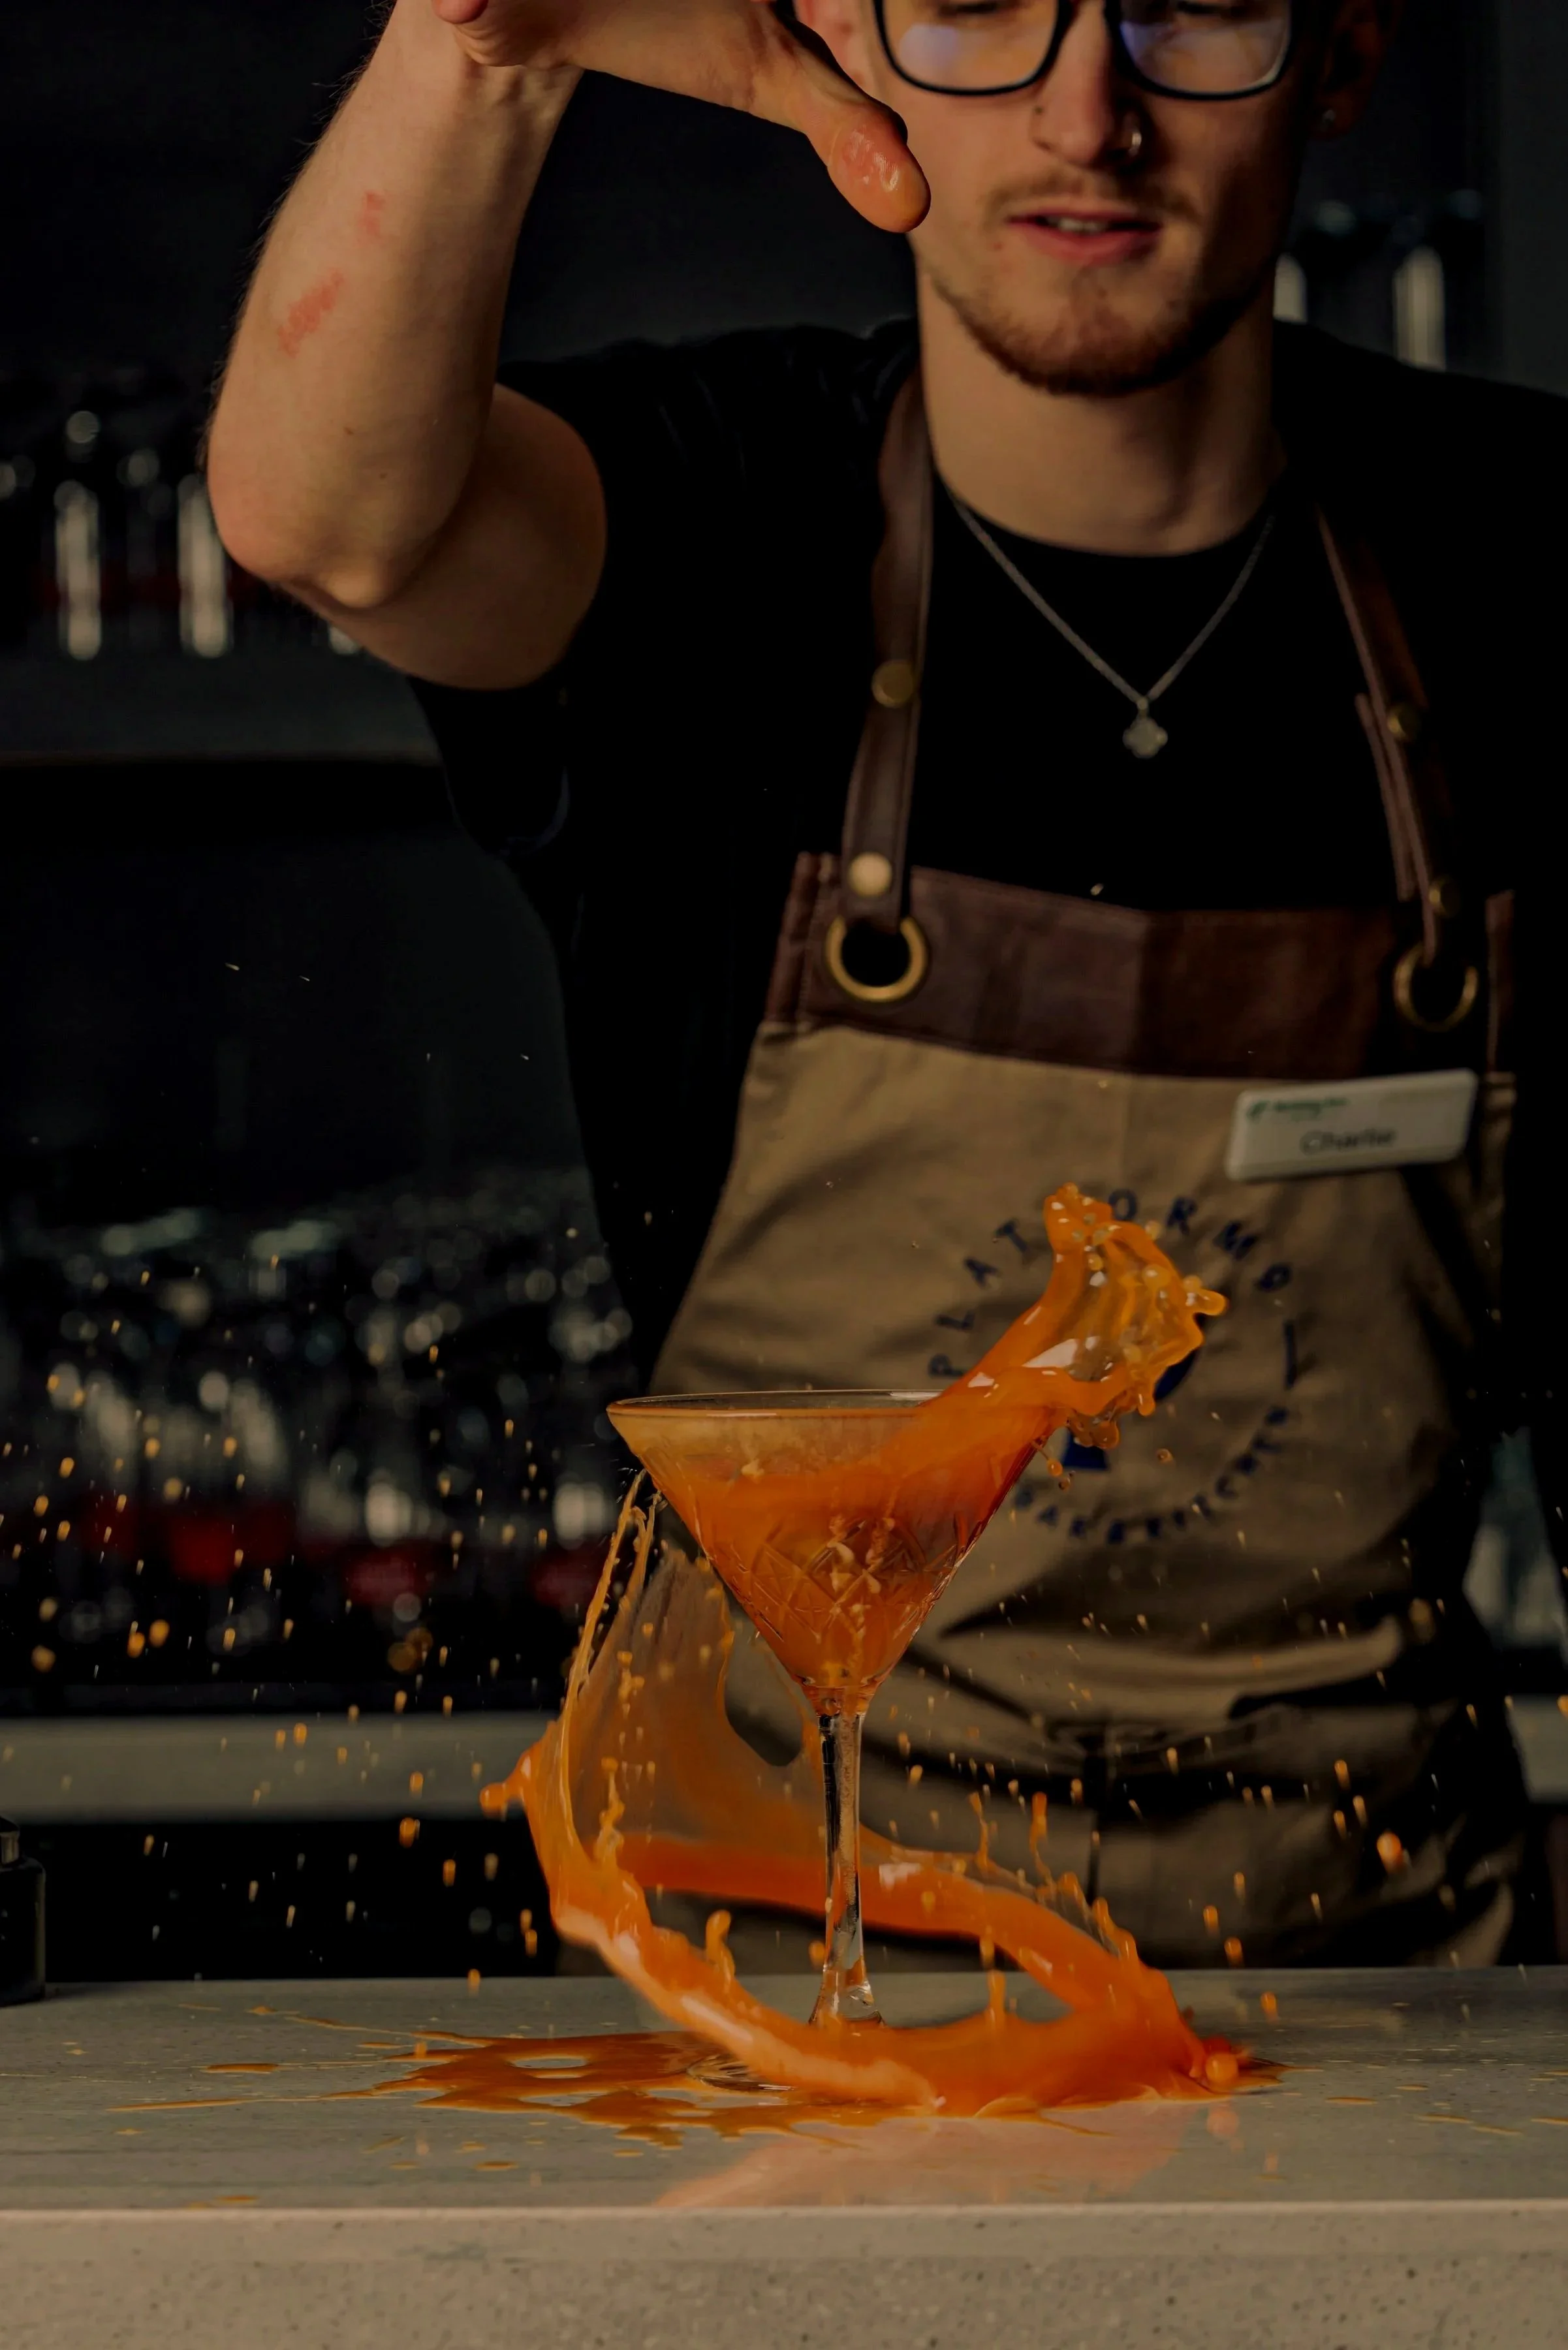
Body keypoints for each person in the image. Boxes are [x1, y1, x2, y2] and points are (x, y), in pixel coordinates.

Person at [208, 0, 1561, 1968]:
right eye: (981, 7)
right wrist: (478, 52)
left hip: (1387, 2004)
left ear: (1345, 51)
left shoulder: (1521, 555)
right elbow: (325, 526)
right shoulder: (717, 512)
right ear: (846, 38)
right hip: (790, 2004)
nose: (1088, 113)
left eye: (1190, 9)